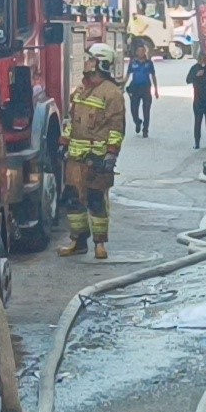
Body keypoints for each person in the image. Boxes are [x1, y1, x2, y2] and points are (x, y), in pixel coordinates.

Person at [58, 43, 127, 259]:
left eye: (90, 59)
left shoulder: (112, 93)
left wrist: (111, 154)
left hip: (97, 159)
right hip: (76, 159)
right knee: (73, 201)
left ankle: (100, 244)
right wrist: (64, 143)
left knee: (96, 201)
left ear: (100, 63)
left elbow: (117, 127)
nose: (86, 62)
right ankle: (78, 241)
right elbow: (72, 119)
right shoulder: (81, 90)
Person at [124, 43, 158, 137]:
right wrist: (122, 85)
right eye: (139, 51)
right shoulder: (133, 62)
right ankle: (138, 121)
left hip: (146, 88)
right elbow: (128, 75)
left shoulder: (149, 63)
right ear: (136, 52)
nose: (141, 52)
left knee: (146, 110)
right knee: (133, 110)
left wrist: (156, 90)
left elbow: (153, 76)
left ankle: (145, 129)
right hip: (135, 88)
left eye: (143, 51)